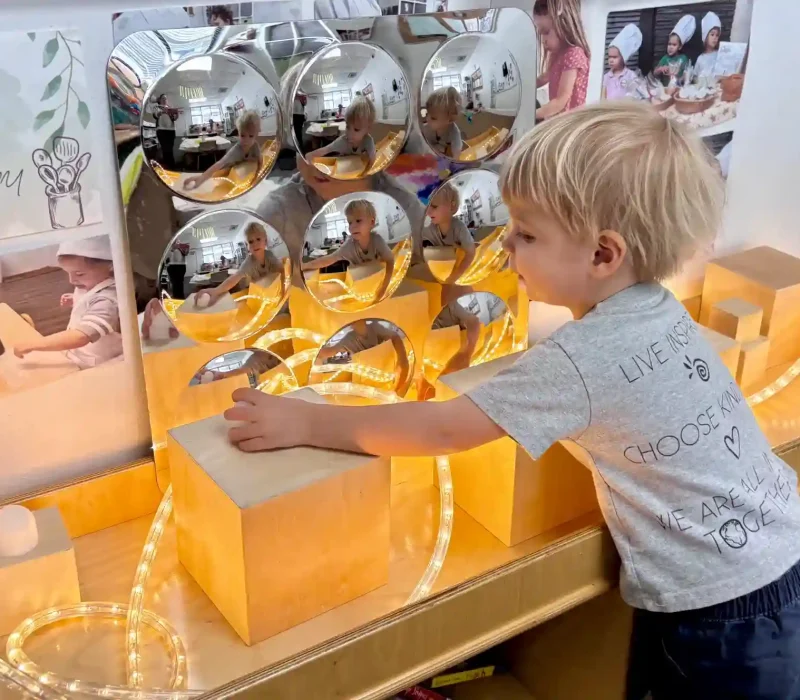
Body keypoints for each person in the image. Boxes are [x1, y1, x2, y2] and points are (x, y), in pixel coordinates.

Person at [225, 101, 800, 698]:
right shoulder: (658, 308)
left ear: (604, 255)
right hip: (778, 558)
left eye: (526, 234)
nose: (506, 247)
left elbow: (444, 430)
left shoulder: (581, 358)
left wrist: (307, 420)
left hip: (722, 613)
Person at [14, 236, 122, 369]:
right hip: (80, 355)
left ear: (111, 266)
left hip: (96, 363)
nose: (72, 280)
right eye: (68, 273)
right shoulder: (93, 283)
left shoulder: (108, 301)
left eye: (80, 274)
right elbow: (91, 300)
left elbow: (81, 336)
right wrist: (76, 299)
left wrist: (34, 344)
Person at [302, 198, 395, 300]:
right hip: (357, 286)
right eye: (350, 222)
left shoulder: (377, 240)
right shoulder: (349, 245)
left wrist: (384, 287)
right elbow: (329, 259)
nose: (352, 226)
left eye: (358, 221)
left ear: (371, 223)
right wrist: (306, 265)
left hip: (375, 281)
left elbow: (390, 260)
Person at [195, 222, 284, 307]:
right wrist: (216, 291)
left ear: (265, 241)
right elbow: (234, 278)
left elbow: (281, 270)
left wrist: (284, 286)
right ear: (247, 246)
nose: (255, 244)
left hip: (271, 290)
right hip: (258, 294)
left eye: (258, 239)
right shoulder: (249, 263)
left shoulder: (270, 255)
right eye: (251, 241)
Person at [533, 0, 590, 120]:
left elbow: (561, 101)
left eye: (546, 32)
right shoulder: (557, 54)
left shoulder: (574, 54)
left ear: (564, 25)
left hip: (570, 122)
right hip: (558, 119)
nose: (543, 40)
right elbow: (545, 77)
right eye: (541, 34)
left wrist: (531, 114)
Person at [184, 109, 262, 191]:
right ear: (238, 133)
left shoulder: (255, 146)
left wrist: (256, 172)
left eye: (251, 136)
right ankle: (201, 177)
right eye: (242, 135)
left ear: (256, 135)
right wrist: (202, 177)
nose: (246, 140)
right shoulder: (236, 150)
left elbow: (260, 161)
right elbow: (219, 164)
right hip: (230, 175)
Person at [415, 182, 475, 286]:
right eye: (427, 207)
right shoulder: (429, 227)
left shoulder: (459, 227)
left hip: (454, 269)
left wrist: (456, 276)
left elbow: (471, 253)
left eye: (434, 206)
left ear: (452, 207)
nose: (428, 212)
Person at [308, 96, 377, 169]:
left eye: (356, 129)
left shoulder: (368, 141)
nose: (349, 133)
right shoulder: (343, 141)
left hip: (359, 170)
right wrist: (310, 155)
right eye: (348, 127)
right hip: (345, 171)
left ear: (368, 129)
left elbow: (373, 161)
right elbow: (325, 150)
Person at [602, 24, 642, 101]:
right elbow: (603, 95)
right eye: (609, 57)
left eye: (615, 57)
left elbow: (635, 94)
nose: (611, 60)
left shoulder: (631, 76)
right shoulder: (606, 77)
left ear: (623, 57)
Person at [421, 87, 463, 159]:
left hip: (441, 152)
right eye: (427, 113)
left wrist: (454, 161)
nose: (427, 119)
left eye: (433, 118)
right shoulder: (425, 129)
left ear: (449, 120)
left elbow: (457, 151)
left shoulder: (453, 131)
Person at [654, 15, 696, 86]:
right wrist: (660, 69)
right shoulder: (665, 59)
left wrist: (683, 78)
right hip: (666, 89)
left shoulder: (683, 58)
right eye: (669, 44)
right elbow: (655, 73)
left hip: (679, 89)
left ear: (680, 47)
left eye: (674, 45)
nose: (670, 47)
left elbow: (686, 74)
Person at [694, 11, 722, 79]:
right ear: (705, 36)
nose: (715, 38)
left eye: (717, 35)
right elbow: (695, 76)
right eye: (712, 34)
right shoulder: (700, 58)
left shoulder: (720, 55)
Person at [153, 94, 177, 168]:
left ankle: (172, 167)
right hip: (161, 130)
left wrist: (176, 114)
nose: (164, 100)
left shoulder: (170, 108)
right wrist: (162, 112)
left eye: (166, 98)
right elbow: (155, 115)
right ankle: (169, 167)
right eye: (163, 98)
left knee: (170, 149)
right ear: (159, 100)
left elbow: (173, 119)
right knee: (165, 149)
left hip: (171, 130)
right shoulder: (157, 107)